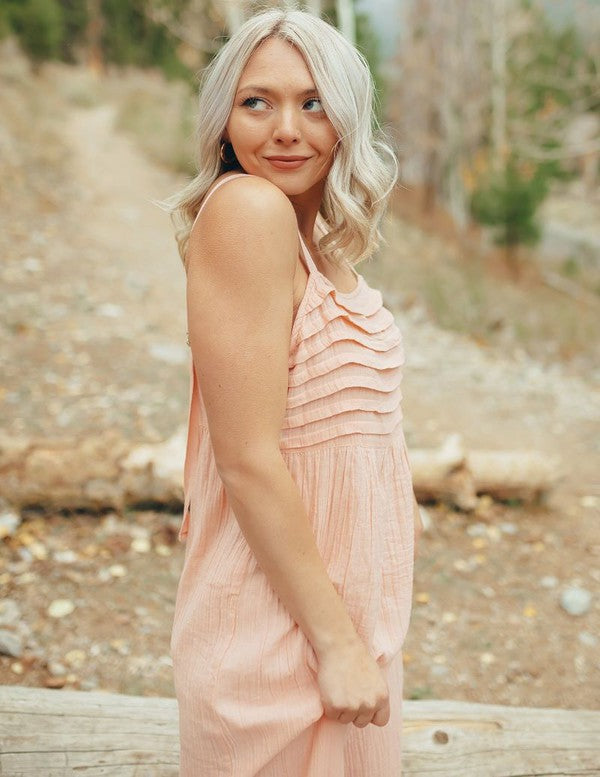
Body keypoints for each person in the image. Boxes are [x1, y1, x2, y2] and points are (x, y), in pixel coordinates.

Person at [164, 7, 422, 776]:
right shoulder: (248, 212)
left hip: (348, 637)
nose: (286, 129)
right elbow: (246, 459)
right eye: (257, 102)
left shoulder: (318, 247)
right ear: (223, 120)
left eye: (312, 103)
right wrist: (337, 643)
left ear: (345, 117)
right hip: (281, 645)